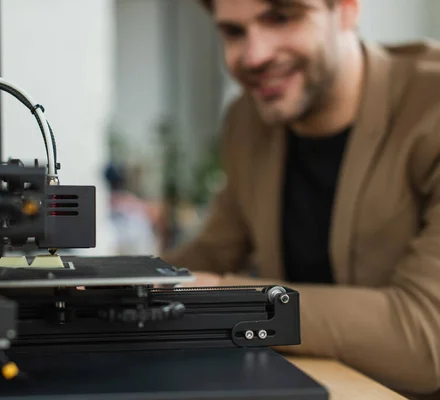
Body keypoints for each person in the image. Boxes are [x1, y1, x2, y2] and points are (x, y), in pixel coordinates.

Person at [161, 0, 440, 398]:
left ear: (346, 9)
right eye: (233, 32)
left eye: (281, 17)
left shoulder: (432, 103)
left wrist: (226, 297)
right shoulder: (248, 120)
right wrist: (102, 285)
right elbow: (213, 251)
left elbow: (428, 338)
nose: (254, 56)